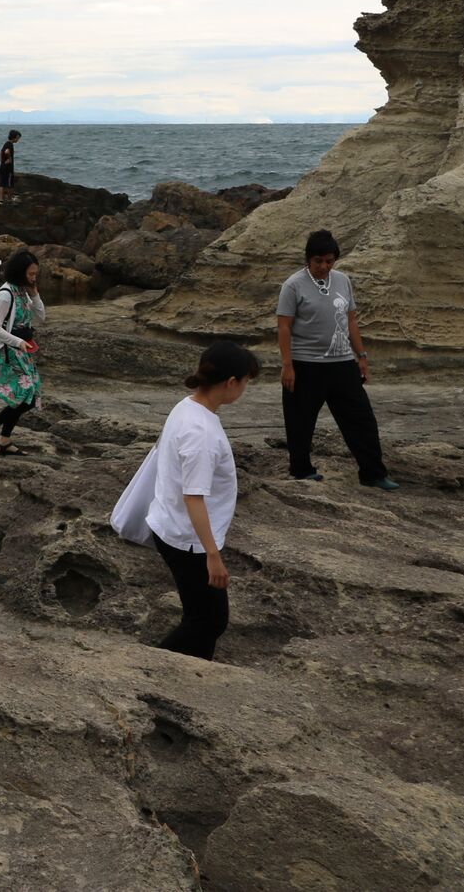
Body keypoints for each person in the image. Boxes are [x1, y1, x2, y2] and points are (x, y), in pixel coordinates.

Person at [145, 341, 260, 660]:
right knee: (208, 620)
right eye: (247, 381)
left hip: (171, 524)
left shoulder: (189, 406)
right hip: (188, 540)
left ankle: (194, 671)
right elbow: (194, 497)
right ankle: (148, 668)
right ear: (232, 382)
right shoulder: (201, 433)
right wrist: (213, 555)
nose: (246, 388)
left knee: (202, 617)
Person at [277, 229, 397, 490]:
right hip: (305, 364)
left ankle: (373, 474)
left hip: (342, 363)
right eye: (319, 261)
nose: (324, 266)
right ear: (308, 259)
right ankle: (301, 471)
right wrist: (288, 365)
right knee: (300, 421)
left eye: (329, 261)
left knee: (362, 419)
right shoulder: (293, 285)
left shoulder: (342, 280)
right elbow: (284, 327)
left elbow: (351, 320)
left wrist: (361, 355)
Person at [0, 249, 44, 453]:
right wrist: (18, 342)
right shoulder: (5, 295)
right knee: (25, 395)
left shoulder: (22, 291)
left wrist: (35, 294)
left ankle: (3, 439)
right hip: (10, 351)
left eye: (35, 274)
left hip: (23, 352)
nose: (33, 277)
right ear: (19, 272)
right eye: (30, 274)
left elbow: (41, 317)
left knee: (28, 397)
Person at [0, 129, 21, 203]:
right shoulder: (9, 144)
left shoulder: (6, 143)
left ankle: (1, 200)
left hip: (3, 166)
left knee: (2, 183)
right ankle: (10, 198)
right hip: (7, 168)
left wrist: (2, 162)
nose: (18, 140)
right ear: (16, 137)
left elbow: (0, 153)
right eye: (18, 138)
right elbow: (6, 152)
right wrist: (9, 159)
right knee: (9, 183)